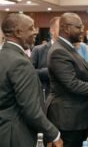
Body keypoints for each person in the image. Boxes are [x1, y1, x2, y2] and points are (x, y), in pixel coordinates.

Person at [0, 13, 63, 147]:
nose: (35, 32)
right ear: (18, 32)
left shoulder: (4, 56)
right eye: (31, 28)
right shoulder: (19, 62)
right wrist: (54, 134)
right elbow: (31, 110)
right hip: (16, 136)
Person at [47, 12, 88, 147]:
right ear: (66, 28)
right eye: (78, 27)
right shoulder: (59, 51)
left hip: (75, 116)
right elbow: (72, 84)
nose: (82, 30)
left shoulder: (68, 48)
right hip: (67, 119)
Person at [31, 16, 60, 109]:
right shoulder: (38, 50)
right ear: (52, 31)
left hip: (65, 103)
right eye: (61, 28)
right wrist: (50, 71)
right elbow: (30, 73)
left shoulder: (71, 50)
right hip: (45, 99)